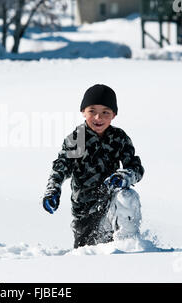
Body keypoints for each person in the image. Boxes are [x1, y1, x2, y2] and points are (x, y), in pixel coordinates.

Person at [42, 84, 144, 248]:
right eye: (92, 111)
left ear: (114, 115)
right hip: (85, 216)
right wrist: (53, 190)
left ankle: (129, 246)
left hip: (111, 209)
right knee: (89, 256)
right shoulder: (78, 138)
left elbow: (135, 167)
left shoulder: (118, 138)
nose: (98, 117)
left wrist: (122, 177)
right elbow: (61, 167)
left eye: (105, 112)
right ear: (83, 112)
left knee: (128, 195)